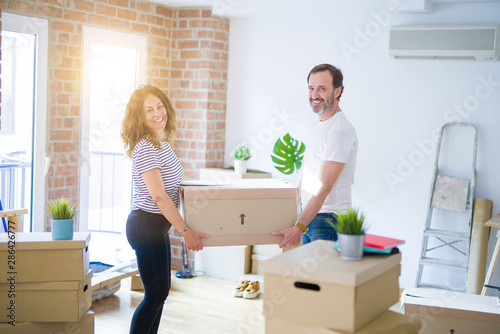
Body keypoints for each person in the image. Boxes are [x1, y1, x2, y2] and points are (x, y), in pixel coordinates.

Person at [121, 84, 209, 334]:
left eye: (159, 106)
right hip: (145, 224)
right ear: (140, 117)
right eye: (148, 110)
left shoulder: (161, 143)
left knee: (159, 294)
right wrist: (185, 230)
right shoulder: (146, 148)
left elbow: (173, 187)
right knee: (155, 294)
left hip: (156, 226)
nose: (157, 113)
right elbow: (159, 196)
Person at [273, 64, 358, 248]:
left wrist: (299, 226)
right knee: (311, 277)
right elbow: (306, 172)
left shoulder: (339, 131)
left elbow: (325, 186)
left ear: (337, 91)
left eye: (322, 88)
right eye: (311, 88)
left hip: (329, 220)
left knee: (322, 277)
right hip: (313, 218)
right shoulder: (321, 125)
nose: (314, 95)